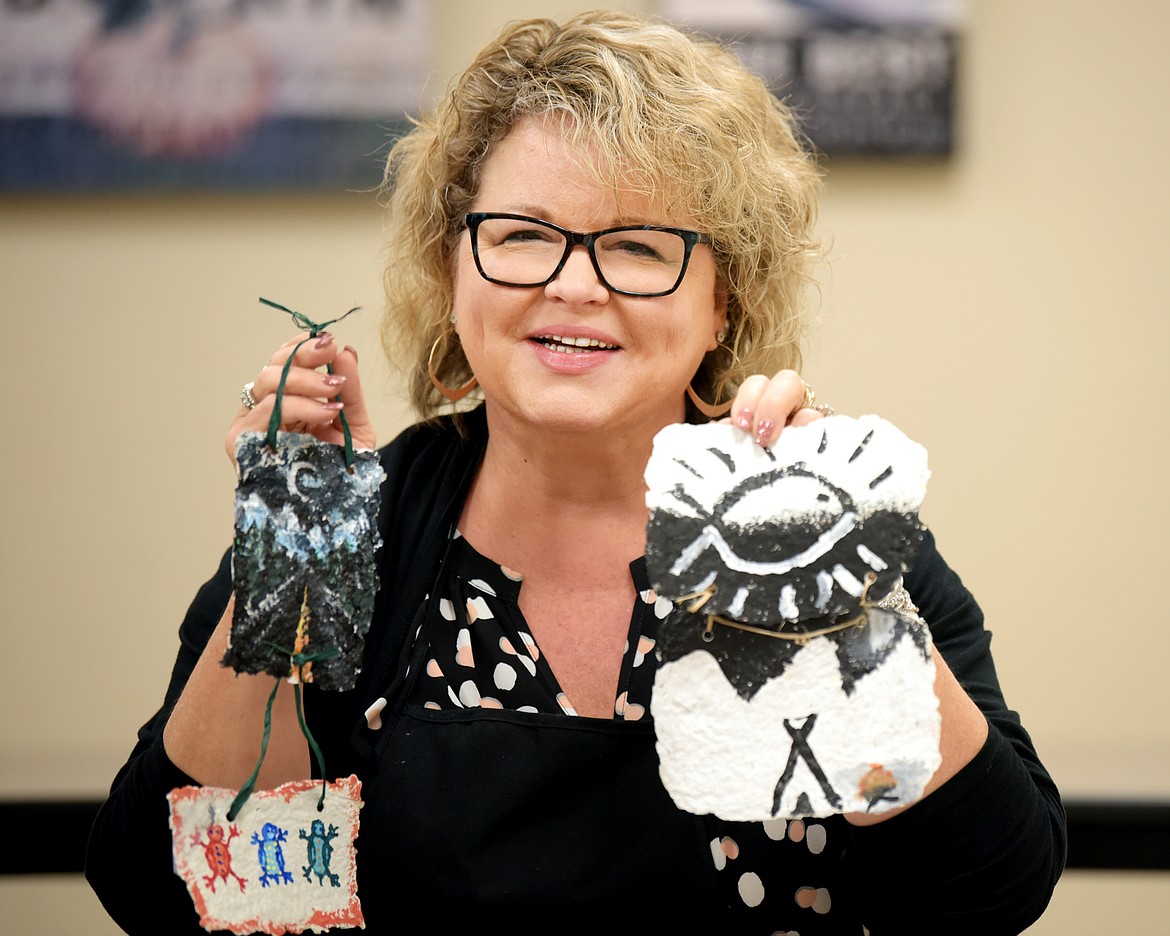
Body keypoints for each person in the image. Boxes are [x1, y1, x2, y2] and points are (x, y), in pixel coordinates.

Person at [87, 10, 1065, 933]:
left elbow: (985, 892)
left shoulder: (814, 523)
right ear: (453, 268)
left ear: (724, 301)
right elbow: (175, 904)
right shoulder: (359, 534)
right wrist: (296, 563)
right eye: (523, 235)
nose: (573, 284)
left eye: (638, 246)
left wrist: (835, 601)